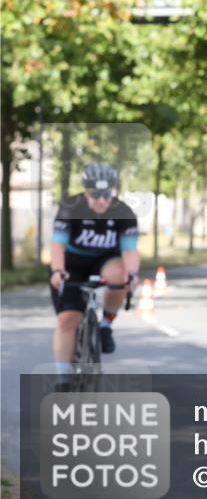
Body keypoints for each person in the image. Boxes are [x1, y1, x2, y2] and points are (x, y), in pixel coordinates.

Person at [49, 163, 139, 381]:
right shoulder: (71, 207)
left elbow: (129, 249)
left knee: (120, 276)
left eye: (106, 195)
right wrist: (58, 271)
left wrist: (132, 274)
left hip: (105, 259)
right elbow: (57, 245)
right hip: (72, 263)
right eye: (95, 195)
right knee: (67, 320)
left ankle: (106, 324)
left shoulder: (123, 212)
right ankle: (63, 379)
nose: (101, 200)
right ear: (86, 191)